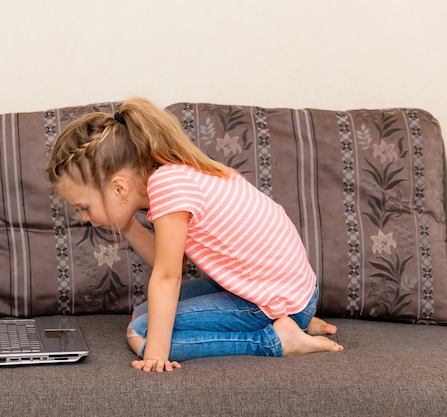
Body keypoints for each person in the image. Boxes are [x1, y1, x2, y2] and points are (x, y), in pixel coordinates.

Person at [45, 97, 343, 373]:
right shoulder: (174, 174)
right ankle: (294, 320)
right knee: (141, 311)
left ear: (119, 187)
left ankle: (276, 339)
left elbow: (168, 276)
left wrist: (156, 355)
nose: (84, 217)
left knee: (141, 332)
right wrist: (126, 226)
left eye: (84, 207)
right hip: (288, 290)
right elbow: (167, 259)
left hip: (276, 299)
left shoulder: (168, 186)